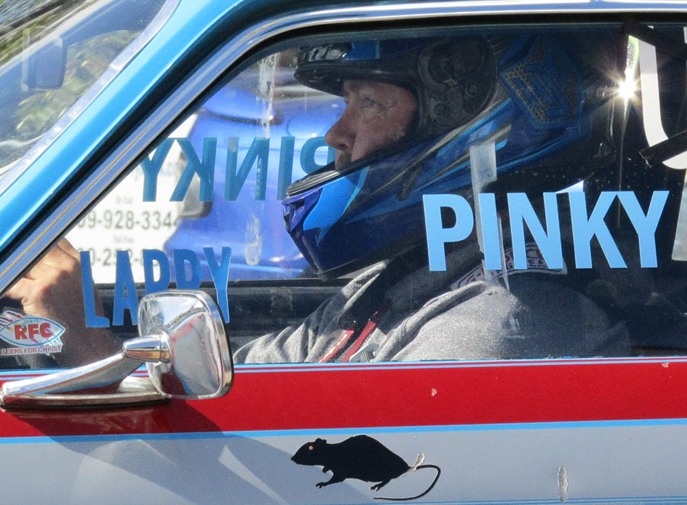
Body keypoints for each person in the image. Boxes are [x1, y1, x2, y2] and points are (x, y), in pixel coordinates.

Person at [234, 33, 631, 363]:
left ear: (473, 124)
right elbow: (261, 366)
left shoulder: (504, 319)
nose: (335, 134)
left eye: (369, 102)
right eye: (347, 103)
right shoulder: (416, 270)